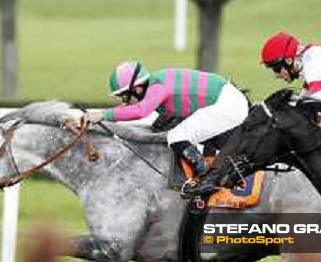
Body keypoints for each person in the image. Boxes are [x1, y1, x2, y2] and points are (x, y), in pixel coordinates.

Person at [80, 61, 250, 179]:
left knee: (176, 137)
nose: (123, 103)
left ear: (138, 88)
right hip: (225, 101)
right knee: (186, 133)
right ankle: (213, 170)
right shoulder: (155, 83)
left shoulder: (158, 87)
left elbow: (141, 111)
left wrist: (103, 114)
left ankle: (207, 177)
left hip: (227, 104)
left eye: (124, 97)